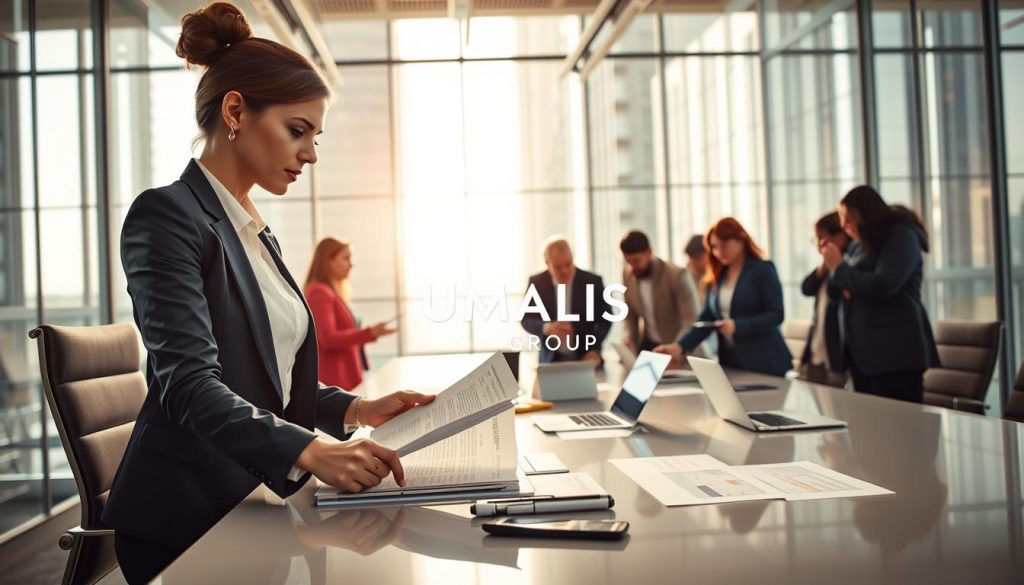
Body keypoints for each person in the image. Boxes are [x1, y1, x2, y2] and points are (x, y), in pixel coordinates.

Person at [109, 4, 434, 582]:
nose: (310, 153)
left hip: (254, 498)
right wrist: (311, 449)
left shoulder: (253, 229)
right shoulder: (166, 216)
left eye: (315, 135)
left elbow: (266, 375)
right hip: (189, 518)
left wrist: (355, 409)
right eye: (297, 130)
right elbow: (188, 385)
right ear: (235, 110)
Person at [822, 185, 939, 403]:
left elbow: (883, 285)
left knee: (897, 429)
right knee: (868, 429)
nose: (843, 226)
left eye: (848, 220)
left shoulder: (901, 236)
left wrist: (840, 269)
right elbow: (841, 288)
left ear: (865, 216)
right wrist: (845, 277)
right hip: (865, 354)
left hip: (894, 353)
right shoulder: (860, 246)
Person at [654, 217, 792, 377]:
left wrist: (738, 326)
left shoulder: (762, 270)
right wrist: (679, 346)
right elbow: (708, 317)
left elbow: (776, 315)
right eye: (714, 247)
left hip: (764, 362)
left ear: (741, 239)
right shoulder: (720, 275)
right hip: (732, 362)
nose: (719, 252)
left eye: (724, 246)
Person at [304, 237, 395, 390]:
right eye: (346, 258)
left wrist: (372, 333)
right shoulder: (320, 293)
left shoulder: (332, 292)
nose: (351, 264)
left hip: (347, 377)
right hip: (337, 380)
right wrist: (370, 332)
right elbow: (327, 338)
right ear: (328, 261)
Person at [521, 236, 612, 364]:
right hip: (550, 360)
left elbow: (606, 320)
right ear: (547, 263)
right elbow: (526, 319)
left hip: (586, 358)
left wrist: (594, 349)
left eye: (568, 264)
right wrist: (547, 328)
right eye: (558, 267)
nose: (564, 271)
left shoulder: (592, 282)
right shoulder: (537, 283)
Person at [619, 230, 699, 353]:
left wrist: (678, 347)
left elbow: (691, 319)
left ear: (649, 252)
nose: (632, 267)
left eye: (636, 261)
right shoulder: (627, 274)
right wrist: (628, 337)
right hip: (649, 346)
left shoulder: (676, 275)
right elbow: (630, 316)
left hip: (679, 348)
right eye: (628, 262)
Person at [798, 212, 850, 387]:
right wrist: (824, 267)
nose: (819, 244)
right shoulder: (825, 268)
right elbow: (806, 288)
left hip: (837, 356)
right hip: (816, 352)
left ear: (841, 237)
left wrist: (836, 266)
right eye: (816, 239)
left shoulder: (849, 267)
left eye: (823, 238)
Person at [684, 234, 710, 307]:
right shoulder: (685, 277)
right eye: (690, 259)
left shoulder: (716, 275)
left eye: (698, 258)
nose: (693, 263)